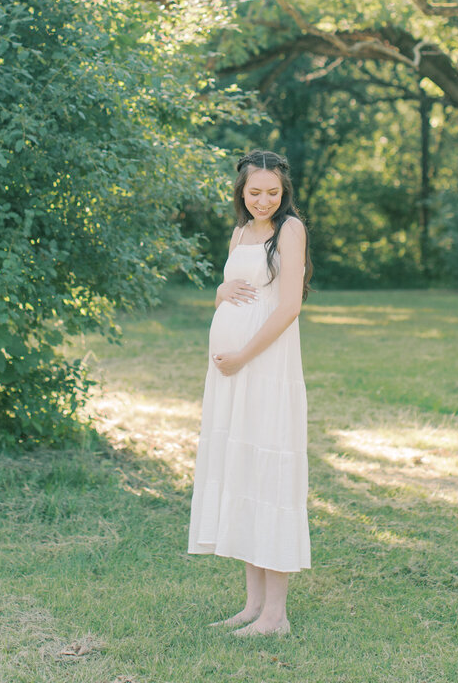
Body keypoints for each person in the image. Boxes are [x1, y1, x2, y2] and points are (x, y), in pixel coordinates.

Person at [188, 149, 312, 637]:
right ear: (241, 192)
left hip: (265, 369)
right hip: (230, 376)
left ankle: (276, 616)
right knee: (242, 472)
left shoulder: (290, 230)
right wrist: (220, 296)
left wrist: (243, 355)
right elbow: (227, 288)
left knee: (268, 472)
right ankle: (252, 605)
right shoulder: (241, 233)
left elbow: (287, 308)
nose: (263, 200)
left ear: (285, 193)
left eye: (273, 192)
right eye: (254, 191)